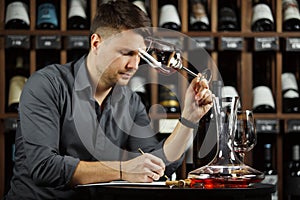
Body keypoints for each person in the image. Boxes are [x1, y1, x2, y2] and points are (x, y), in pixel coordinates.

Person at [4, 0, 213, 199]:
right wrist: (122, 169)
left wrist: (189, 118)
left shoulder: (130, 102)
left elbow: (157, 164)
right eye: (125, 53)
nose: (134, 65)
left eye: (139, 55)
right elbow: (44, 167)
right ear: (96, 43)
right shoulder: (46, 85)